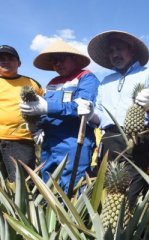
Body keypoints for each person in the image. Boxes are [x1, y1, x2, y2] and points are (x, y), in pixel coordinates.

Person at [86, 30, 149, 210]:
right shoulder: (106, 81)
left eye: (119, 48)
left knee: (130, 194)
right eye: (111, 51)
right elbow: (99, 117)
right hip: (109, 139)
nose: (115, 54)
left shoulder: (148, 74)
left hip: (136, 139)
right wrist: (90, 113)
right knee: (105, 192)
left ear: (132, 50)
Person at [20, 39, 99, 194]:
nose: (58, 64)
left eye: (62, 58)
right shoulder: (53, 82)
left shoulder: (86, 78)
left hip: (74, 141)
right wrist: (36, 125)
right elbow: (45, 112)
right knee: (47, 184)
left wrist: (47, 107)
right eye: (54, 61)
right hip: (50, 142)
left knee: (73, 186)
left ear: (73, 58)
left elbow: (81, 108)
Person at [0, 45, 43, 183]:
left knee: (22, 184)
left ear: (19, 63)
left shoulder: (31, 83)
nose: (5, 61)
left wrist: (40, 127)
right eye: (1, 59)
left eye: (10, 58)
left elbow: (44, 107)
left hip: (20, 141)